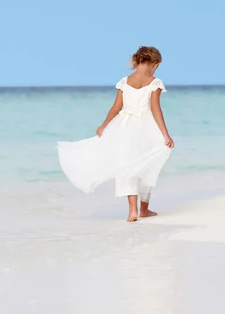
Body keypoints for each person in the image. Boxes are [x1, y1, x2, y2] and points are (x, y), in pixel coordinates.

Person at [57, 46, 174, 222]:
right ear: (153, 64)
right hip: (146, 128)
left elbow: (116, 107)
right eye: (157, 66)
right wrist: (165, 135)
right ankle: (144, 209)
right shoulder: (154, 82)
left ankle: (132, 211)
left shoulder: (125, 81)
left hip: (125, 128)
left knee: (127, 165)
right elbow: (156, 110)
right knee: (146, 165)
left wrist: (104, 125)